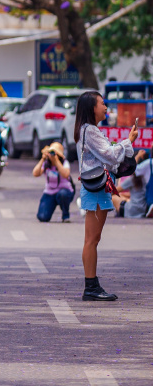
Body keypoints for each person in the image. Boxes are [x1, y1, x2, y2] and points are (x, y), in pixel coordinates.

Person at [74, 89, 138, 302]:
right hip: (95, 189)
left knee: (93, 239)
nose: (105, 107)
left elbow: (108, 157)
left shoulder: (89, 130)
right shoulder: (90, 130)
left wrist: (125, 144)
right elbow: (110, 155)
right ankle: (90, 287)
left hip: (99, 187)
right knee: (91, 240)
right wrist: (128, 141)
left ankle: (92, 285)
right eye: (102, 103)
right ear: (92, 108)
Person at [33, 140, 74, 223]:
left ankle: (65, 215)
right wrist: (42, 159)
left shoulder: (64, 162)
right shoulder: (46, 164)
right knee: (42, 217)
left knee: (62, 194)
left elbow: (66, 174)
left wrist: (56, 161)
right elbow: (35, 173)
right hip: (49, 192)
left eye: (55, 153)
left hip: (64, 191)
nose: (52, 155)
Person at [117, 149, 153, 219]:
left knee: (114, 197)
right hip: (143, 207)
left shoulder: (133, 179)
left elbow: (133, 170)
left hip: (131, 209)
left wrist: (138, 156)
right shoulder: (146, 176)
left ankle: (119, 214)